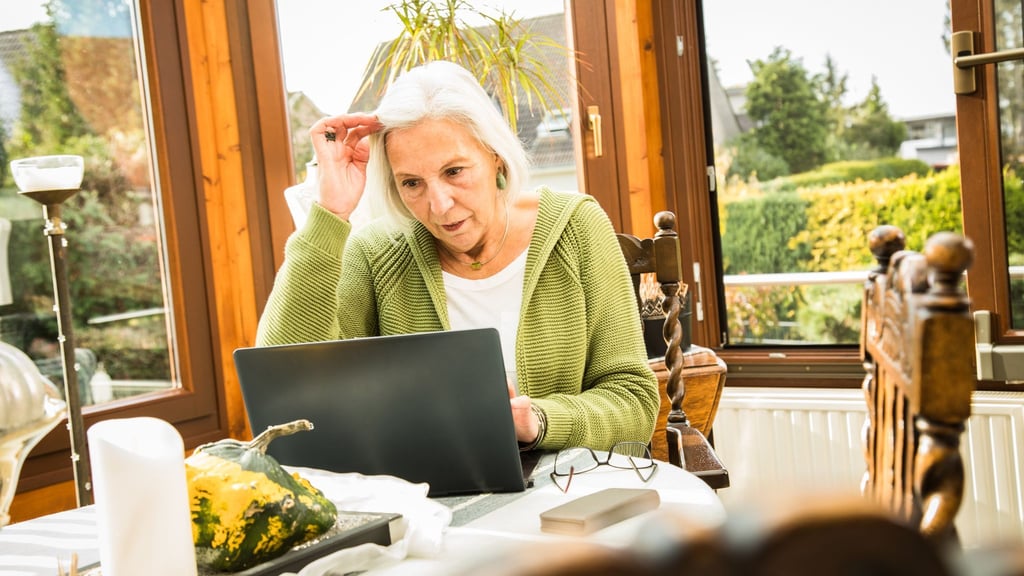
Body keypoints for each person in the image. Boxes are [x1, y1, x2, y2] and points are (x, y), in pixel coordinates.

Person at [256, 60, 658, 451]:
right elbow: (283, 389)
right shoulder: (376, 253)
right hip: (429, 489)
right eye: (411, 183)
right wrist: (330, 212)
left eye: (454, 171)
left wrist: (537, 420)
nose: (440, 205)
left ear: (495, 156)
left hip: (569, 484)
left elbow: (633, 402)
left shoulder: (577, 227)